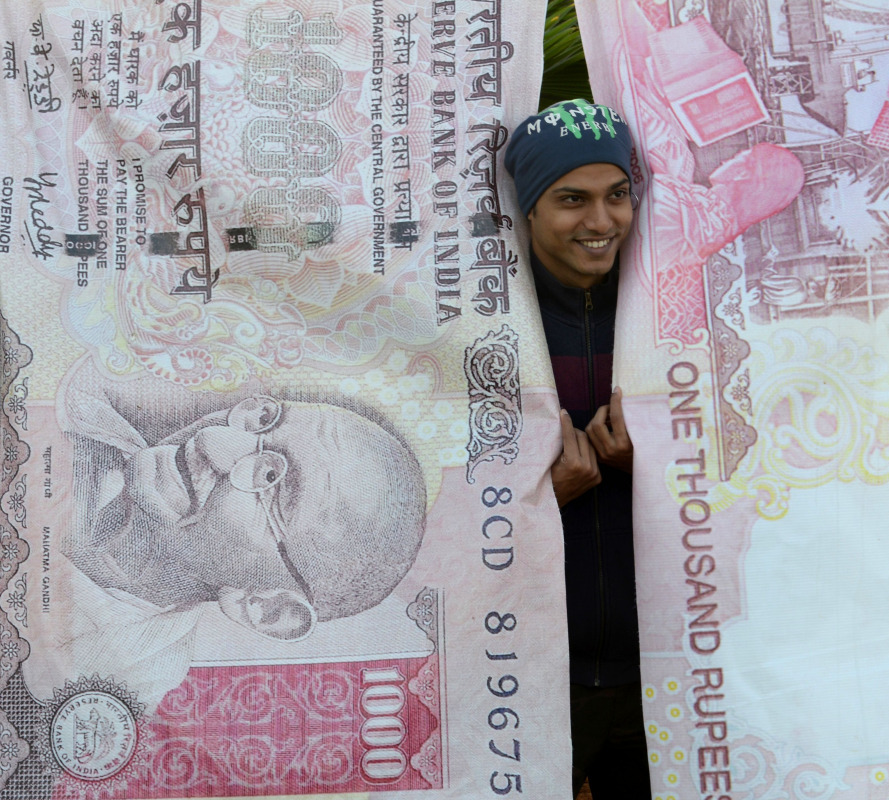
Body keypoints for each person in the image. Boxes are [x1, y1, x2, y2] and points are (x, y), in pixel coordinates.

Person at [23, 371, 428, 710]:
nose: (213, 439)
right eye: (264, 419)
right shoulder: (81, 403)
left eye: (270, 481)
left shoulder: (107, 683)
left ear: (269, 608)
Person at [504, 99, 649, 798]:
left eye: (617, 195)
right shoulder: (488, 331)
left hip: (669, 670)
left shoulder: (667, 319)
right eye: (572, 200)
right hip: (531, 678)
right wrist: (539, 501)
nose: (601, 221)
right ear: (529, 208)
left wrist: (655, 469)